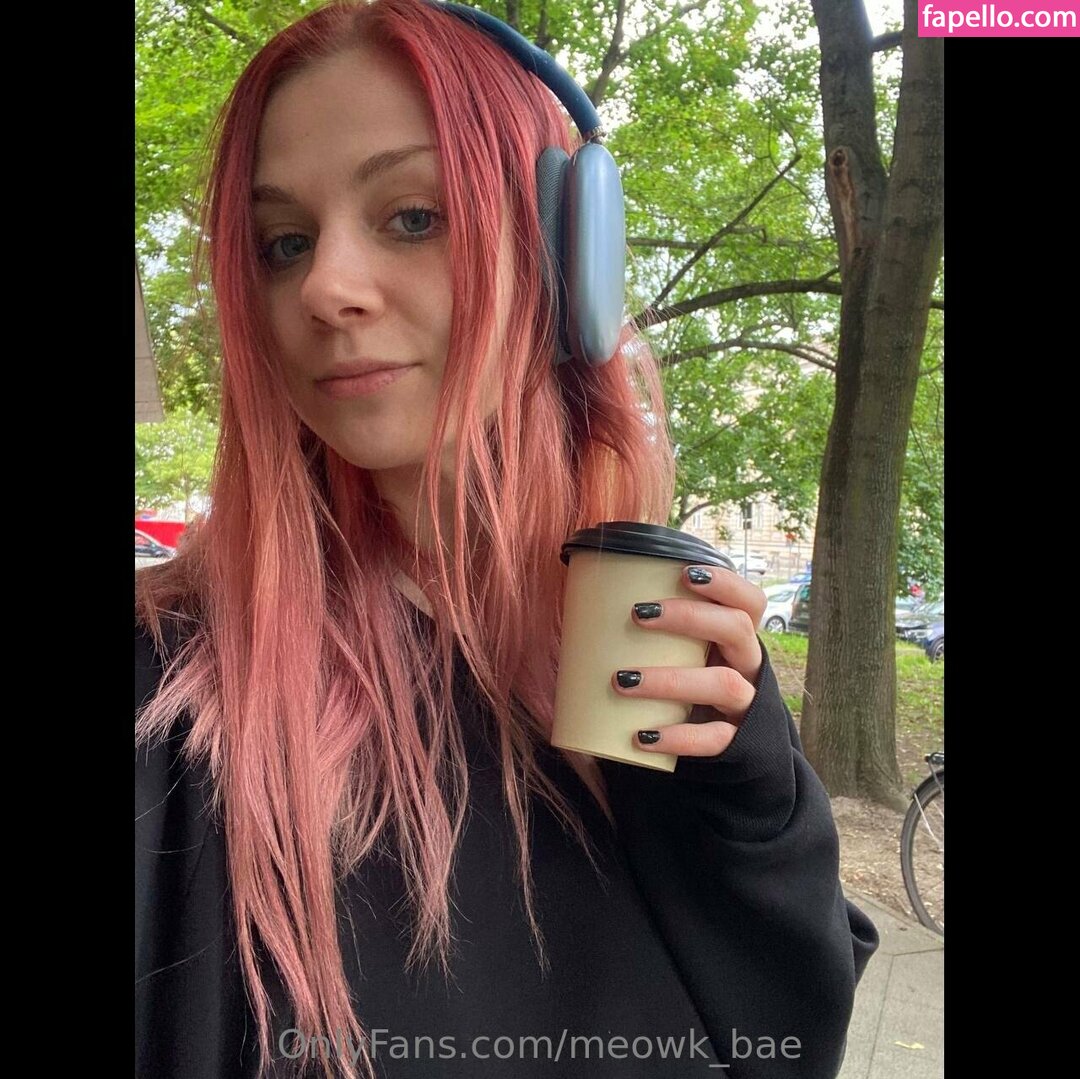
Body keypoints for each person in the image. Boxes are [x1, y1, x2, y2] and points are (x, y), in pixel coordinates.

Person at [135, 2, 879, 1077]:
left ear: (570, 255)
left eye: (412, 216)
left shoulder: (647, 649)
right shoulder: (173, 694)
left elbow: (785, 1043)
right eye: (283, 243)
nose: (325, 289)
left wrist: (753, 808)